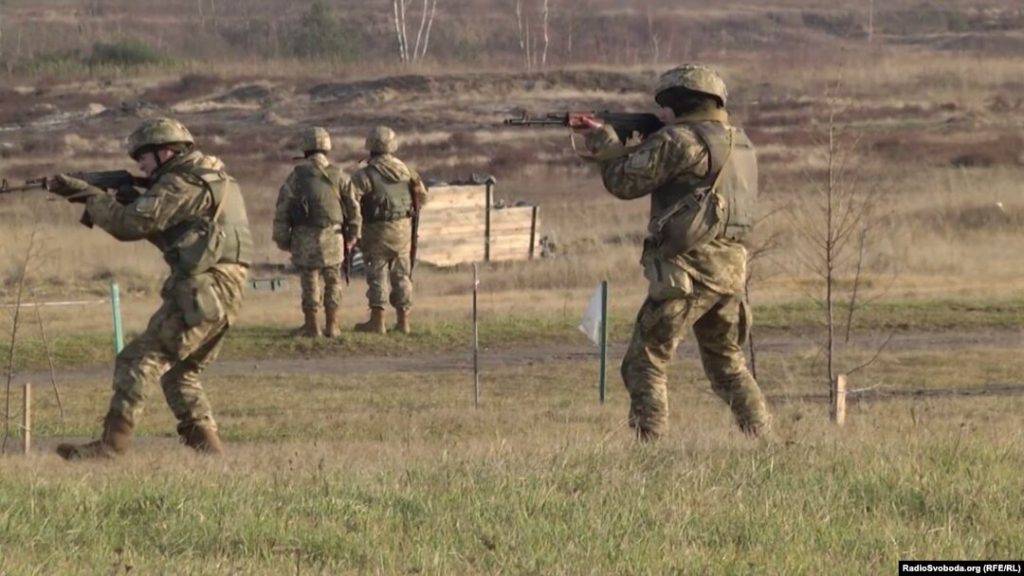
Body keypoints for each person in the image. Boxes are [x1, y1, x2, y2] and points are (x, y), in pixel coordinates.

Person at [579, 64, 772, 441]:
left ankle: (651, 448)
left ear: (679, 101)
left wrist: (605, 142)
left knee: (644, 361)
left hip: (688, 271)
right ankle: (763, 439)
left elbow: (623, 182)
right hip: (730, 270)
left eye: (667, 106)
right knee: (728, 365)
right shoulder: (740, 142)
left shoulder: (681, 141)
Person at [48, 117, 253, 459]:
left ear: (166, 152)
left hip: (205, 290)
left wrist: (93, 198)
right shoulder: (210, 178)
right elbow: (174, 232)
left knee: (137, 359)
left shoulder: (182, 183)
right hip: (220, 290)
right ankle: (213, 457)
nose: (139, 163)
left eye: (143, 155)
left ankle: (111, 448)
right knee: (179, 375)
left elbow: (131, 225)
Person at [272, 127, 360, 337]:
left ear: (305, 149)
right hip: (334, 236)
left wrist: (282, 239)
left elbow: (282, 209)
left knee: (310, 280)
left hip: (304, 236)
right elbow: (353, 208)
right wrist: (353, 235)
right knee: (333, 280)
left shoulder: (296, 177)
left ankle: (312, 327)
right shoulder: (340, 176)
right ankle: (333, 325)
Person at [350, 126, 427, 335]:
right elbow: (422, 198)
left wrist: (354, 227)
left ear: (370, 147)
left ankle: (378, 322)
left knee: (377, 274)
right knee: (402, 275)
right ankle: (404, 322)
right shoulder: (407, 172)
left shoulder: (365, 175)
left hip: (376, 231)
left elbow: (350, 201)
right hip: (403, 231)